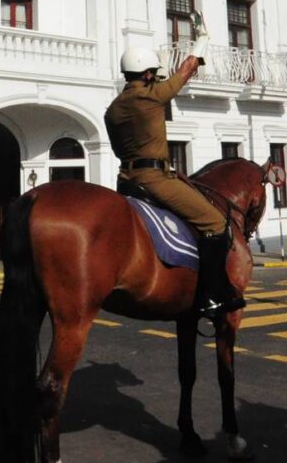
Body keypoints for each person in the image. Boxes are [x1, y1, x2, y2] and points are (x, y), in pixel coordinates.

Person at [104, 36, 245, 320]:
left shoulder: (113, 109)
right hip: (154, 178)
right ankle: (211, 295)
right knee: (216, 223)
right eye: (153, 74)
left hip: (126, 179)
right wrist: (201, 43)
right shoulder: (152, 94)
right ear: (147, 74)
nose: (155, 78)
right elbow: (186, 69)